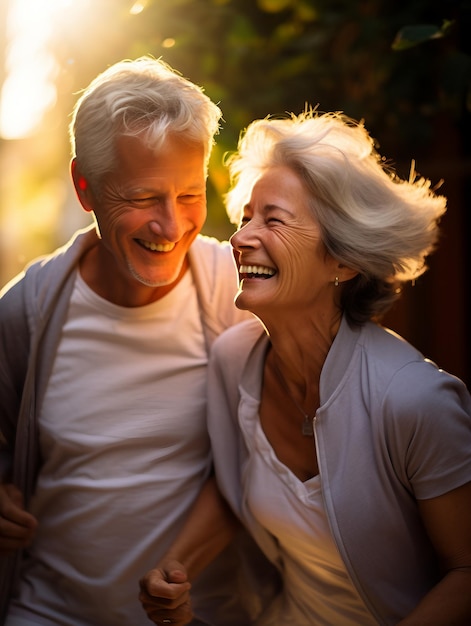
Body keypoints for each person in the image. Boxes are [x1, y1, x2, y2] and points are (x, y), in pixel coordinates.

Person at [140, 110, 471, 625]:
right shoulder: (233, 361)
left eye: (272, 219)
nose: (241, 237)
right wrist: (175, 567)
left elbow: (466, 573)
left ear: (341, 261)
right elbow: (237, 488)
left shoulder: (415, 400)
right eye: (246, 216)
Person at [0, 56, 279, 626]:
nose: (171, 226)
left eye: (188, 194)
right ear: (85, 187)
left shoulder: (239, 294)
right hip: (49, 612)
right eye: (143, 198)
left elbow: (266, 459)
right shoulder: (25, 311)